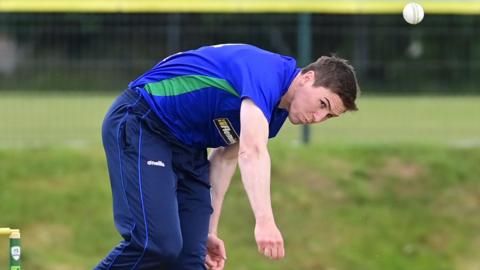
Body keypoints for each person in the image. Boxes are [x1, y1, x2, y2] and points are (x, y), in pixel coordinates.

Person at [95, 43, 360, 270]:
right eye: (322, 104)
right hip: (144, 120)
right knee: (157, 244)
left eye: (329, 116)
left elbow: (225, 158)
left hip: (187, 146)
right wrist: (265, 221)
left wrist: (210, 230)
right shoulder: (266, 74)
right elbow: (251, 151)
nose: (318, 118)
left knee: (191, 258)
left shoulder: (275, 113)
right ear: (307, 78)